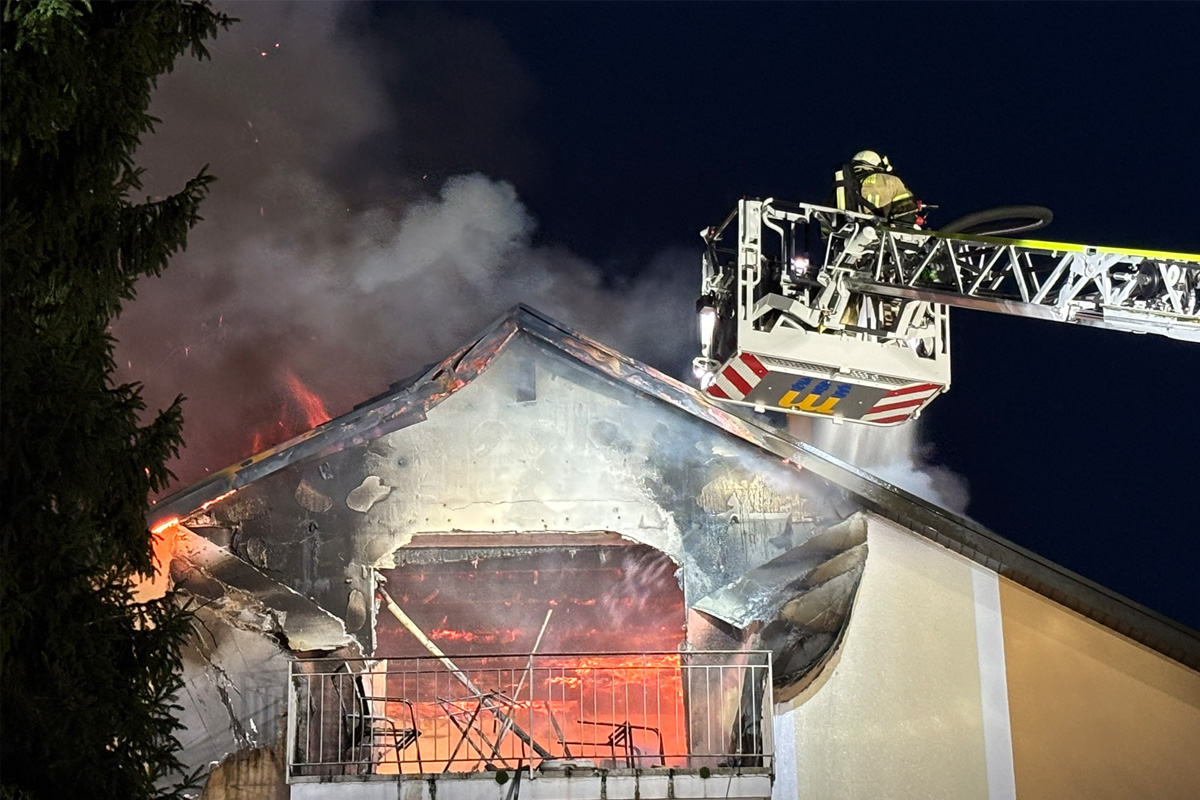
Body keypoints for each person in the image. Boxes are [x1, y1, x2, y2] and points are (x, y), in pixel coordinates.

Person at [831, 150, 919, 226]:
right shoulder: (890, 180)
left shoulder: (841, 185)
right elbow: (905, 211)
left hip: (850, 236)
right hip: (883, 234)